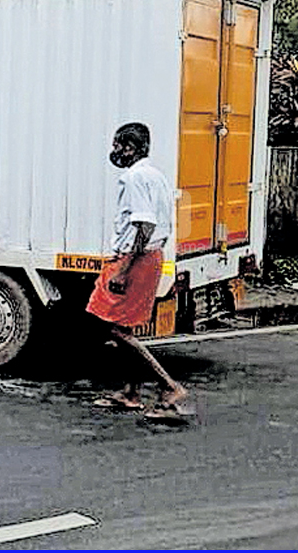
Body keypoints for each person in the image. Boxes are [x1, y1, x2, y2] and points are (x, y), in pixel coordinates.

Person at [87, 122, 188, 421]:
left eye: (119, 145)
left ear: (131, 148)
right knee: (123, 326)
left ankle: (169, 386)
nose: (115, 151)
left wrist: (124, 270)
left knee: (115, 328)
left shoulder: (133, 178)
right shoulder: (155, 176)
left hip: (136, 259)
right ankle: (131, 392)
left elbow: (145, 224)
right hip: (149, 256)